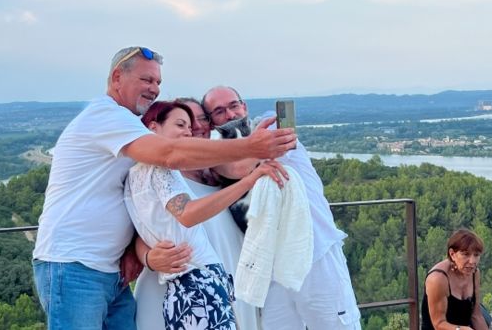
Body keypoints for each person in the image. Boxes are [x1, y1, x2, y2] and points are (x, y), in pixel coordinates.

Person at [32, 47, 297, 329]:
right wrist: (248, 146)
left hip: (111, 272)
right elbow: (170, 154)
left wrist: (136, 252)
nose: (154, 88)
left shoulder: (131, 131)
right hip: (75, 266)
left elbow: (143, 204)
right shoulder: (105, 116)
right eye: (146, 80)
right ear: (117, 77)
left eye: (158, 82)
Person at [203, 85, 361, 330]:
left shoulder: (271, 126)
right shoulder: (217, 159)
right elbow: (227, 167)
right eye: (219, 111)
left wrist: (235, 154)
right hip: (271, 267)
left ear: (244, 106)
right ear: (211, 121)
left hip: (315, 252)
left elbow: (238, 168)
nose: (230, 115)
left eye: (234, 106)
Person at [125, 101, 284, 330]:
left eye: (200, 121)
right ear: (153, 128)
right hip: (194, 279)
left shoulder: (142, 172)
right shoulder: (161, 170)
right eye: (181, 123)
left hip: (199, 282)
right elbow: (183, 216)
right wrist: (252, 167)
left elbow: (235, 168)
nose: (191, 130)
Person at [421, 228, 489, 330]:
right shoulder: (438, 279)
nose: (472, 261)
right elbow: (438, 324)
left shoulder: (474, 273)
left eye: (476, 255)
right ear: (452, 254)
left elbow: (476, 316)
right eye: (466, 254)